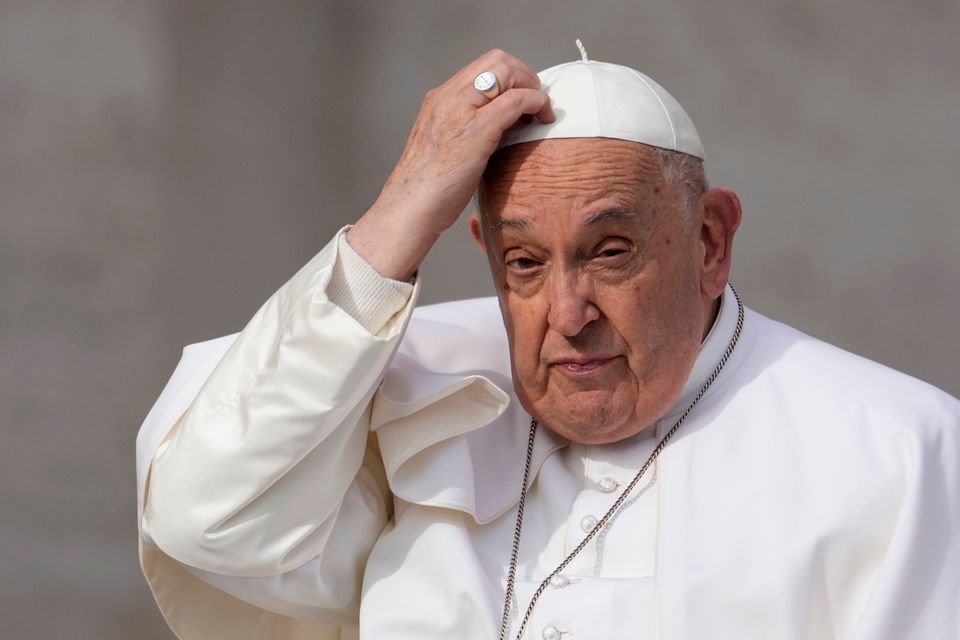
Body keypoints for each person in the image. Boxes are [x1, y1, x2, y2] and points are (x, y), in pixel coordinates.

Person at [135, 46, 960, 640]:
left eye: (610, 252)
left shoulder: (898, 449)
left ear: (710, 243)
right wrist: (398, 216)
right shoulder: (413, 389)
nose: (567, 313)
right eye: (523, 263)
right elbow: (204, 518)